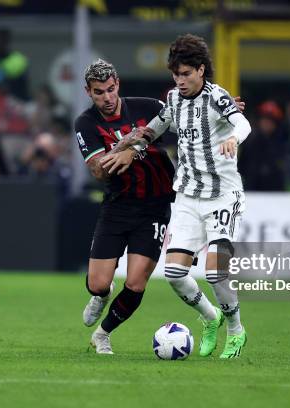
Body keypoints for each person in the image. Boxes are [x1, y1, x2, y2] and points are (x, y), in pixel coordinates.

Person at [104, 34, 251, 358]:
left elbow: (243, 124)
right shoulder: (173, 100)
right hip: (187, 196)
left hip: (223, 195)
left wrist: (234, 140)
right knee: (173, 273)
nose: (180, 80)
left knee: (215, 272)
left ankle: (236, 330)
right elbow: (154, 130)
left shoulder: (217, 97)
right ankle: (210, 319)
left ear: (201, 70)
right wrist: (134, 142)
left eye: (186, 74)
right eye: (176, 74)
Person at [74, 59, 176, 355]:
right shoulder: (86, 123)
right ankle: (100, 296)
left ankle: (103, 334)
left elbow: (185, 119)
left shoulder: (148, 107)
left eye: (110, 89)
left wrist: (220, 113)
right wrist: (126, 144)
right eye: (98, 92)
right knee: (97, 283)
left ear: (117, 83)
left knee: (135, 283)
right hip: (118, 206)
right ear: (88, 92)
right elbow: (98, 171)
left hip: (155, 206)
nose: (106, 98)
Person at [238, 100, 287, 191]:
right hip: (253, 191)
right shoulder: (250, 140)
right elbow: (241, 166)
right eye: (264, 119)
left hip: (275, 193)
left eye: (270, 120)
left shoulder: (281, 143)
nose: (267, 123)